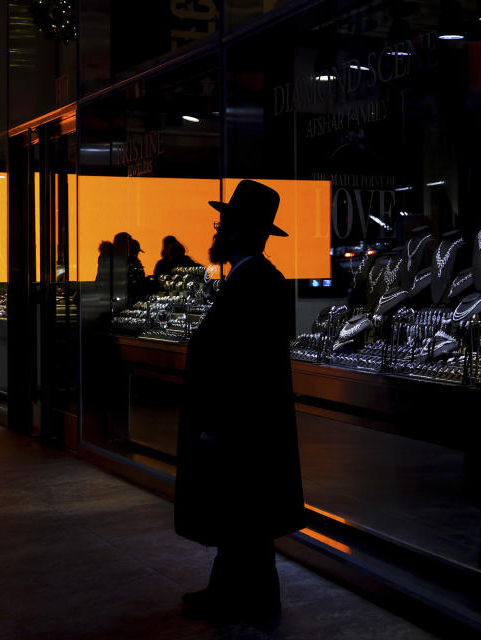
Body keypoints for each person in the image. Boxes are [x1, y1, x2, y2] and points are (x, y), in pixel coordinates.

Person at [175, 180, 304, 621]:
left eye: (222, 222)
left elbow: (240, 362)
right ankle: (233, 593)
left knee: (245, 516)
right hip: (247, 424)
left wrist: (216, 421)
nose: (217, 231)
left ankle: (248, 600)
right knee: (243, 516)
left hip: (242, 425)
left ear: (236, 231)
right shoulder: (253, 277)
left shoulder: (254, 281)